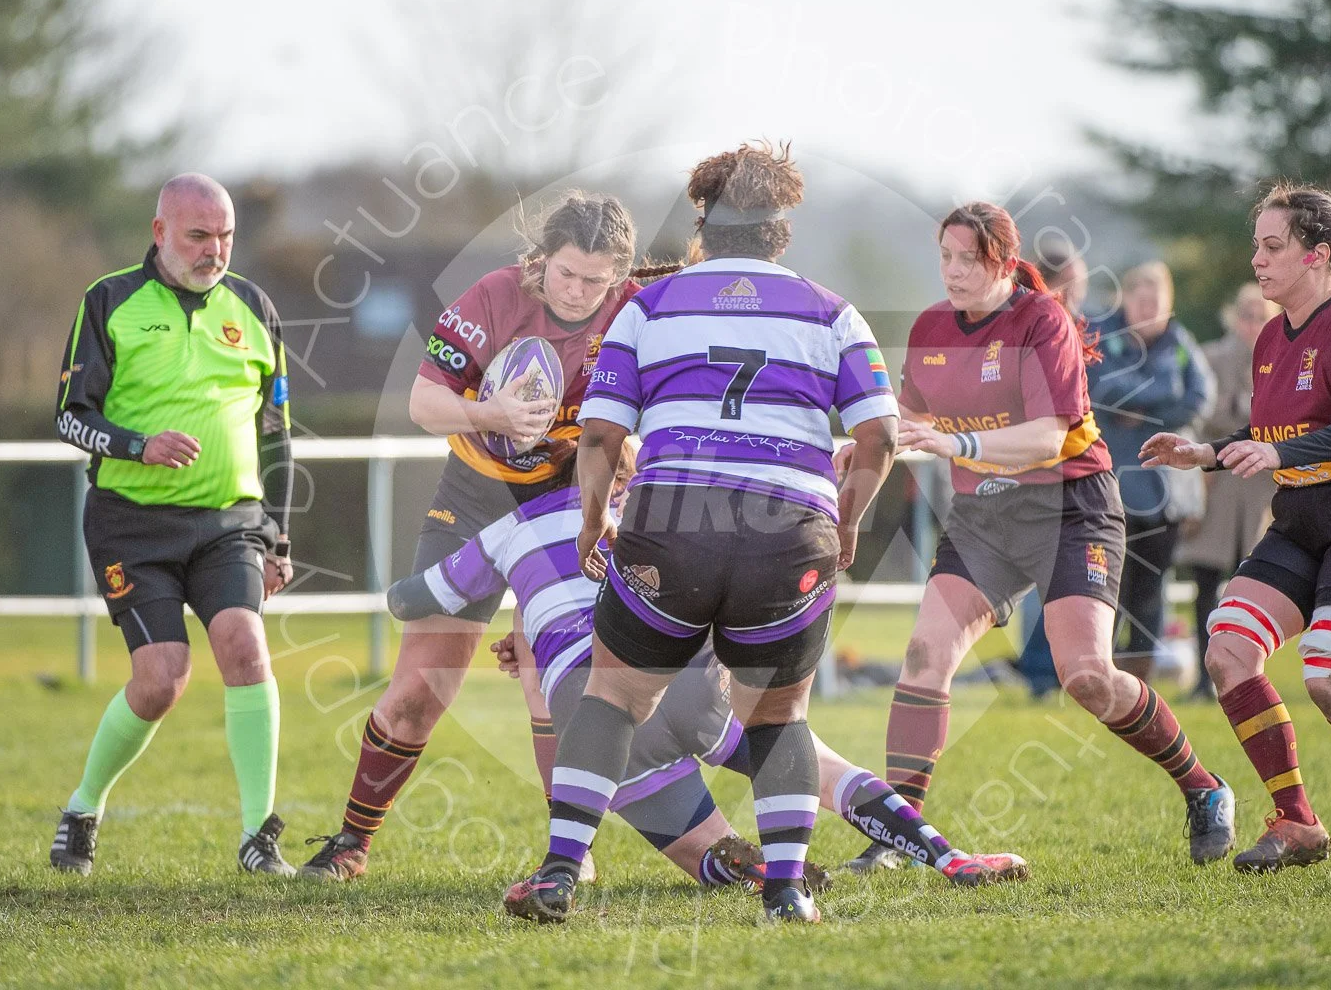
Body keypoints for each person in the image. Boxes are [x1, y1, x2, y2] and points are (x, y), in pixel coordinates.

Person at [503, 141, 900, 925]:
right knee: (778, 714)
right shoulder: (831, 312)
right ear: (779, 232)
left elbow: (598, 438)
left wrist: (594, 522)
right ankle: (786, 893)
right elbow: (880, 436)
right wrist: (846, 524)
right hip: (789, 530)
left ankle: (556, 874)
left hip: (670, 523)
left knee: (613, 697)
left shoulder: (648, 308)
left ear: (702, 226)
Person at [375, 450, 1026, 890]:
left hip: (586, 703)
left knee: (695, 857)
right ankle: (950, 858)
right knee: (821, 769)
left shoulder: (512, 527)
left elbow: (417, 598)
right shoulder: (657, 510)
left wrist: (437, 576)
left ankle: (736, 865)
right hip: (679, 680)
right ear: (628, 475)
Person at [844, 202, 1235, 874]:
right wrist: (852, 461)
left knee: (1086, 676)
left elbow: (1048, 437)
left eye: (968, 259)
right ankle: (900, 838)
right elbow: (905, 422)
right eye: (946, 257)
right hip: (984, 520)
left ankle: (1203, 787)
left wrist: (956, 439)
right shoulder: (934, 326)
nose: (954, 272)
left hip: (1069, 510)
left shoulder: (1042, 319)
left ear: (1001, 259)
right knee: (922, 655)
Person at [299, 192, 657, 881]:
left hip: (563, 507)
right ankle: (351, 843)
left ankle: (567, 857)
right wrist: (489, 411)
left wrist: (630, 449)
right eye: (566, 274)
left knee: (551, 681)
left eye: (596, 280)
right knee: (419, 690)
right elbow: (422, 402)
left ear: (619, 275)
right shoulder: (495, 295)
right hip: (473, 502)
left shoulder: (637, 310)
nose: (579, 293)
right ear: (541, 258)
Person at [1141, 182, 1331, 875]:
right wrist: (1209, 453)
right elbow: (1276, 430)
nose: (1257, 260)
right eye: (1257, 246)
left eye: (1272, 247)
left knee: (1330, 672)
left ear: (1316, 256)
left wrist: (1275, 454)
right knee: (1226, 651)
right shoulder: (1273, 337)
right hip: (1305, 518)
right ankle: (1297, 820)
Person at [49, 173, 296, 876]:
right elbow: (68, 416)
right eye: (198, 235)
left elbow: (276, 432)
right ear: (160, 232)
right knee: (162, 678)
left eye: (224, 236)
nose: (214, 249)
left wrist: (277, 534)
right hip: (132, 524)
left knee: (244, 645)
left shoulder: (253, 306)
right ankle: (82, 809)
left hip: (230, 524)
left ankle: (258, 837)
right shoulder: (109, 301)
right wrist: (139, 445)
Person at [1089, 262, 1214, 681]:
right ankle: (1095, 672)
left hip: (1167, 490)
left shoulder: (1181, 343)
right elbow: (1100, 389)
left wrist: (1144, 414)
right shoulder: (1100, 334)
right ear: (1124, 299)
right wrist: (1161, 395)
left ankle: (1135, 679)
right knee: (1105, 582)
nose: (1148, 307)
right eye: (1140, 298)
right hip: (1112, 486)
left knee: (1150, 585)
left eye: (1156, 299)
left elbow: (1199, 398)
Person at [1178, 284, 1279, 700]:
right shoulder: (1210, 357)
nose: (1252, 324)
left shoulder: (1283, 359)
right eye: (1245, 315)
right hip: (1217, 485)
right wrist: (1240, 407)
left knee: (1250, 588)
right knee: (1205, 583)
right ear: (1232, 317)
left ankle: (1246, 680)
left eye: (1260, 315)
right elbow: (1201, 413)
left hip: (1260, 491)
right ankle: (1204, 678)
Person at [1014, 240, 1091, 697]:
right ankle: (1041, 671)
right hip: (1040, 471)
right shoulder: (1039, 327)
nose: (1080, 293)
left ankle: (1057, 670)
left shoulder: (1071, 325)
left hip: (1075, 472)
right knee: (1041, 577)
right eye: (1076, 284)